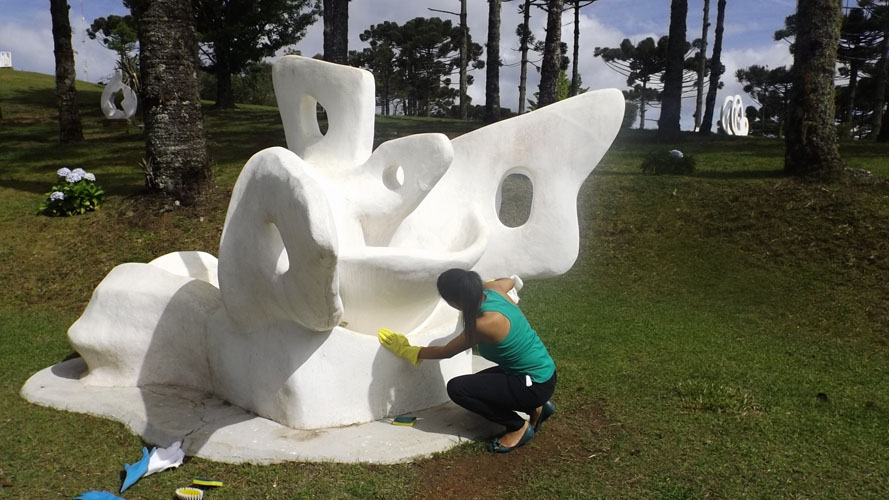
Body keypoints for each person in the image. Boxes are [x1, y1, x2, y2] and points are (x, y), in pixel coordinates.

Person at [378, 268, 557, 453]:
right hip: (541, 372)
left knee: (459, 389)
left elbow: (447, 351)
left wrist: (409, 350)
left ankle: (517, 426)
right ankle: (538, 407)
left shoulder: (484, 324)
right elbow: (509, 281)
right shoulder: (494, 289)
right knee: (476, 386)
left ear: (455, 302)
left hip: (534, 384)